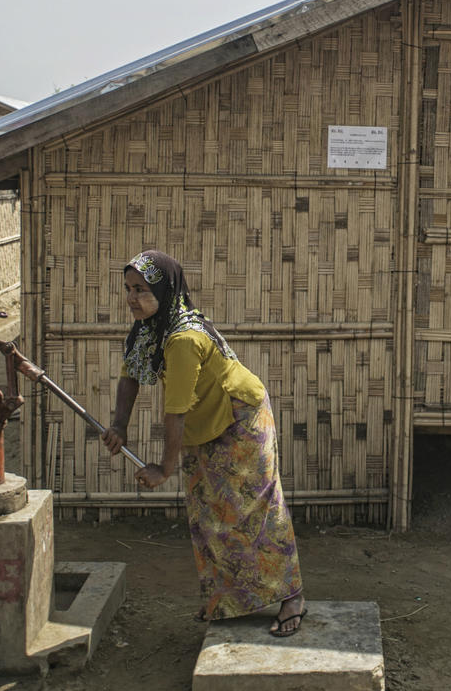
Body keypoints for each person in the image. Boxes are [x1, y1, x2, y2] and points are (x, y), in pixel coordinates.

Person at [100, 249, 307, 637]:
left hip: (241, 417)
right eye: (128, 289)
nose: (132, 298)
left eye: (141, 290)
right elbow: (130, 375)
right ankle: (229, 600)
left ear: (164, 289)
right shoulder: (148, 329)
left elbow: (175, 410)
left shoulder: (181, 338)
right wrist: (119, 426)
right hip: (205, 421)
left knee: (256, 509)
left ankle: (292, 595)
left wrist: (164, 469)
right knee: (210, 513)